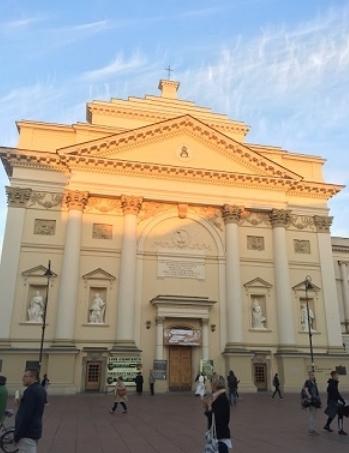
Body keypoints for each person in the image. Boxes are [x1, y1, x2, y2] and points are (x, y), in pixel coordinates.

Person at [14, 368, 47, 453]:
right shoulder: (40, 389)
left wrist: (17, 434)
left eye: (25, 376)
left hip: (27, 432)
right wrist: (21, 403)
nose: (22, 378)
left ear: (32, 377)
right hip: (34, 429)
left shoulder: (30, 391)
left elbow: (25, 415)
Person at [203, 375, 232, 452]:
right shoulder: (217, 397)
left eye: (212, 383)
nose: (210, 385)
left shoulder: (221, 398)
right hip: (218, 435)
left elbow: (216, 417)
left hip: (220, 436)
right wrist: (207, 406)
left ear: (215, 385)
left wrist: (209, 407)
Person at [324, 370, 347, 435]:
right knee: (340, 414)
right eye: (337, 375)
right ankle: (340, 430)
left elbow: (335, 393)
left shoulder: (333, 382)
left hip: (333, 401)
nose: (338, 376)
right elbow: (336, 393)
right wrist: (342, 400)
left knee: (332, 414)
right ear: (333, 376)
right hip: (333, 402)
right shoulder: (332, 383)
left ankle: (327, 425)